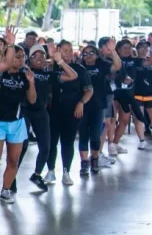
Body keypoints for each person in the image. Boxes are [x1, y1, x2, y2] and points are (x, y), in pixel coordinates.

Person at [0, 32, 35, 205]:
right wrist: (10, 44)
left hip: (16, 123)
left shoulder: (24, 75)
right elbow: (5, 62)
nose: (22, 60)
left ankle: (6, 190)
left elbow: (32, 100)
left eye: (23, 57)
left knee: (13, 160)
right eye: (18, 57)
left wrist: (31, 82)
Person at [20, 44, 77, 190]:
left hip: (41, 112)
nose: (38, 59)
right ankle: (12, 177)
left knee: (46, 147)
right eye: (35, 56)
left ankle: (37, 175)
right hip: (24, 111)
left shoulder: (49, 75)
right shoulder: (23, 71)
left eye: (41, 56)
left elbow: (73, 76)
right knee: (23, 146)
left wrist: (60, 61)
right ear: (29, 59)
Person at [45, 40, 92, 184]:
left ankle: (66, 171)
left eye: (70, 50)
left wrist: (81, 103)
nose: (69, 53)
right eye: (65, 50)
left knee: (68, 141)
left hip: (72, 111)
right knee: (51, 142)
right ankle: (50, 170)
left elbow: (89, 90)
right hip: (53, 111)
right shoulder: (50, 68)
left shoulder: (79, 69)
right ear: (58, 51)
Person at [79, 43, 121, 174]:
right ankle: (84, 163)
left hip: (98, 106)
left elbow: (117, 66)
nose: (88, 56)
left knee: (96, 135)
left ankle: (95, 159)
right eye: (85, 54)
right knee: (83, 135)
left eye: (91, 53)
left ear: (97, 55)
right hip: (81, 106)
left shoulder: (102, 66)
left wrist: (113, 51)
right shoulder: (80, 67)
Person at [111, 39, 146, 151]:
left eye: (129, 47)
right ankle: (108, 146)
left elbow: (145, 63)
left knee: (125, 120)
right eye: (124, 48)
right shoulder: (113, 60)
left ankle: (114, 144)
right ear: (118, 50)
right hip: (113, 94)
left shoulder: (135, 61)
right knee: (111, 121)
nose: (127, 50)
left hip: (127, 95)